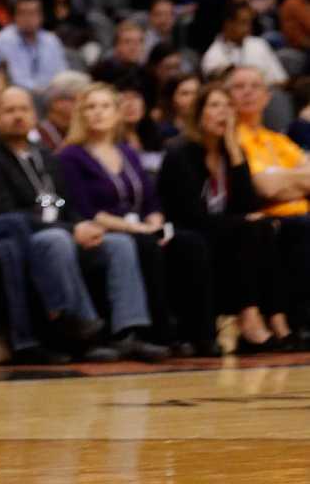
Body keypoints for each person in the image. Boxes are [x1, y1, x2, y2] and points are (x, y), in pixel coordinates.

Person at [0, 87, 155, 362]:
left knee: (119, 243)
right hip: (24, 238)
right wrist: (72, 230)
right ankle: (83, 330)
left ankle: (127, 332)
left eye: (24, 110)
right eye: (9, 111)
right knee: (55, 240)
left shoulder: (45, 155)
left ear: (34, 115)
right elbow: (8, 216)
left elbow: (67, 206)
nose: (18, 116)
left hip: (64, 232)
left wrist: (85, 226)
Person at [54, 81, 212, 355]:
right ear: (80, 115)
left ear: (117, 113)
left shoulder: (126, 151)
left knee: (189, 243)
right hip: (104, 230)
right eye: (90, 107)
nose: (98, 113)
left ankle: (200, 333)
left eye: (105, 106)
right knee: (145, 245)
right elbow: (84, 209)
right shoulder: (70, 156)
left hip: (139, 225)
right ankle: (159, 332)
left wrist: (154, 220)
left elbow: (151, 198)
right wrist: (135, 228)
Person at [158, 80, 287, 352]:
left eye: (228, 106)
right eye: (215, 105)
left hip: (222, 230)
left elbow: (247, 204)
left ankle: (276, 319)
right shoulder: (180, 152)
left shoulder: (230, 153)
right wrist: (241, 221)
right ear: (199, 113)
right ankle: (249, 320)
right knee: (250, 228)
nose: (223, 112)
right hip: (184, 230)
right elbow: (191, 215)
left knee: (262, 227)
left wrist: (233, 147)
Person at [227, 65, 310, 335]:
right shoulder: (233, 139)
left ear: (267, 96)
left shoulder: (279, 139)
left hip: (297, 216)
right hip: (269, 220)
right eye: (239, 87)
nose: (248, 92)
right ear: (229, 97)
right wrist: (297, 180)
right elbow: (263, 187)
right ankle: (299, 321)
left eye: (255, 86)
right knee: (301, 227)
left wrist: (282, 180)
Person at [0, 0, 69, 94]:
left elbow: (62, 72)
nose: (27, 18)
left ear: (41, 17)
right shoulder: (2, 40)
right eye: (22, 13)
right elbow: (11, 78)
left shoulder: (52, 40)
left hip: (51, 95)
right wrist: (38, 90)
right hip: (18, 94)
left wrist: (51, 90)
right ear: (14, 17)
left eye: (32, 13)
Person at [201, 0, 288, 85]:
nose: (249, 28)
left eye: (250, 23)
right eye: (244, 22)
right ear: (228, 24)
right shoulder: (213, 56)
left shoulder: (259, 44)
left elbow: (281, 79)